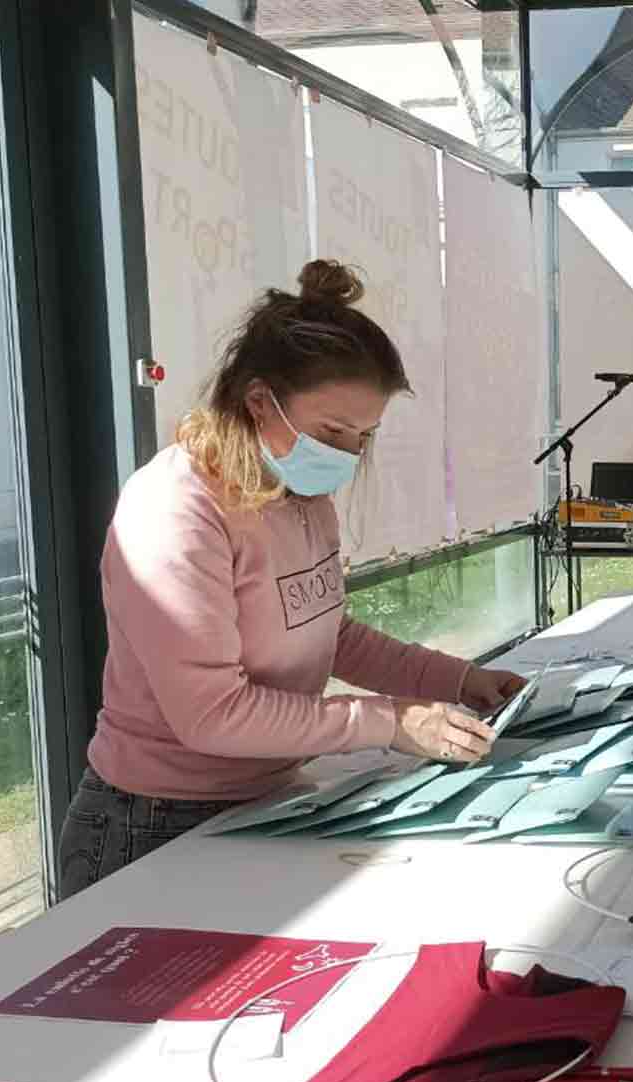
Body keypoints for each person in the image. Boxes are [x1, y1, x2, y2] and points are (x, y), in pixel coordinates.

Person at [56, 260, 524, 899]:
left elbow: (329, 633)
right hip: (154, 824)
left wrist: (460, 682)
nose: (350, 454)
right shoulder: (175, 510)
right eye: (333, 430)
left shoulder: (297, 492)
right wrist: (391, 721)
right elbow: (213, 716)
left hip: (266, 800)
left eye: (364, 435)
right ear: (257, 401)